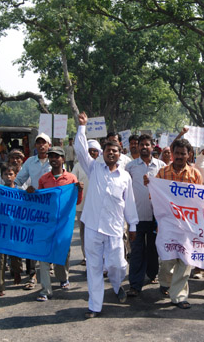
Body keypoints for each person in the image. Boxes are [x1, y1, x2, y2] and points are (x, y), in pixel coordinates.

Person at [75, 112, 138, 319]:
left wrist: (133, 226)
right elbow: (80, 149)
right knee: (93, 268)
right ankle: (95, 306)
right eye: (108, 150)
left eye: (115, 151)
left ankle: (117, 284)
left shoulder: (125, 176)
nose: (111, 153)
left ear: (120, 154)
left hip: (114, 228)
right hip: (92, 226)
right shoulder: (94, 168)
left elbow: (129, 203)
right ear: (102, 153)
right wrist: (82, 127)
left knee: (118, 265)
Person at [153, 138, 203, 309]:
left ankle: (179, 297)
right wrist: (150, 185)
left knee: (185, 260)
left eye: (183, 153)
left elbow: (201, 202)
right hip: (167, 225)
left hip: (188, 226)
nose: (180, 156)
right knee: (167, 260)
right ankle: (165, 281)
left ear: (189, 155)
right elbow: (155, 197)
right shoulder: (162, 173)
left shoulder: (195, 175)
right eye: (177, 153)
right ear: (172, 154)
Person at [35, 146, 83, 302]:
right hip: (47, 223)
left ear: (63, 159)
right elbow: (39, 202)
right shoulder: (43, 179)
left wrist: (79, 190)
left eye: (57, 156)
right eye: (51, 156)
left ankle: (63, 277)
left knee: (62, 253)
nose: (54, 159)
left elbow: (77, 201)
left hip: (63, 224)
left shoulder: (71, 179)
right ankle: (45, 290)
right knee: (43, 255)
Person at [125, 134, 166, 297]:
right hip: (136, 216)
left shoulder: (161, 166)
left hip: (157, 217)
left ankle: (152, 274)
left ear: (152, 146)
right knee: (136, 251)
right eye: (141, 144)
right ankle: (135, 284)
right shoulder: (130, 167)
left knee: (153, 249)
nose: (144, 147)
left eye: (147, 144)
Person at [15, 132, 52, 290]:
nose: (41, 145)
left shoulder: (55, 160)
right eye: (38, 143)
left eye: (44, 143)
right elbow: (18, 181)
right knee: (31, 239)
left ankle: (48, 264)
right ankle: (32, 274)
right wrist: (25, 191)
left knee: (48, 237)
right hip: (32, 206)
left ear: (49, 145)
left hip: (50, 206)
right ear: (35, 146)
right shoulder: (29, 162)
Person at [0, 163, 23, 296]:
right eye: (5, 174)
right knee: (0, 257)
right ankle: (0, 286)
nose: (8, 176)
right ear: (1, 176)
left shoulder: (20, 193)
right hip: (1, 228)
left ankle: (17, 272)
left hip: (16, 228)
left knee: (16, 253)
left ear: (15, 175)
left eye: (11, 174)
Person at [71, 140, 101, 266]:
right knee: (84, 233)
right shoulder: (78, 166)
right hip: (82, 206)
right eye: (90, 151)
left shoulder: (102, 165)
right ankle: (86, 256)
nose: (92, 153)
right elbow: (71, 182)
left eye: (95, 150)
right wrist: (76, 185)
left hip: (99, 207)